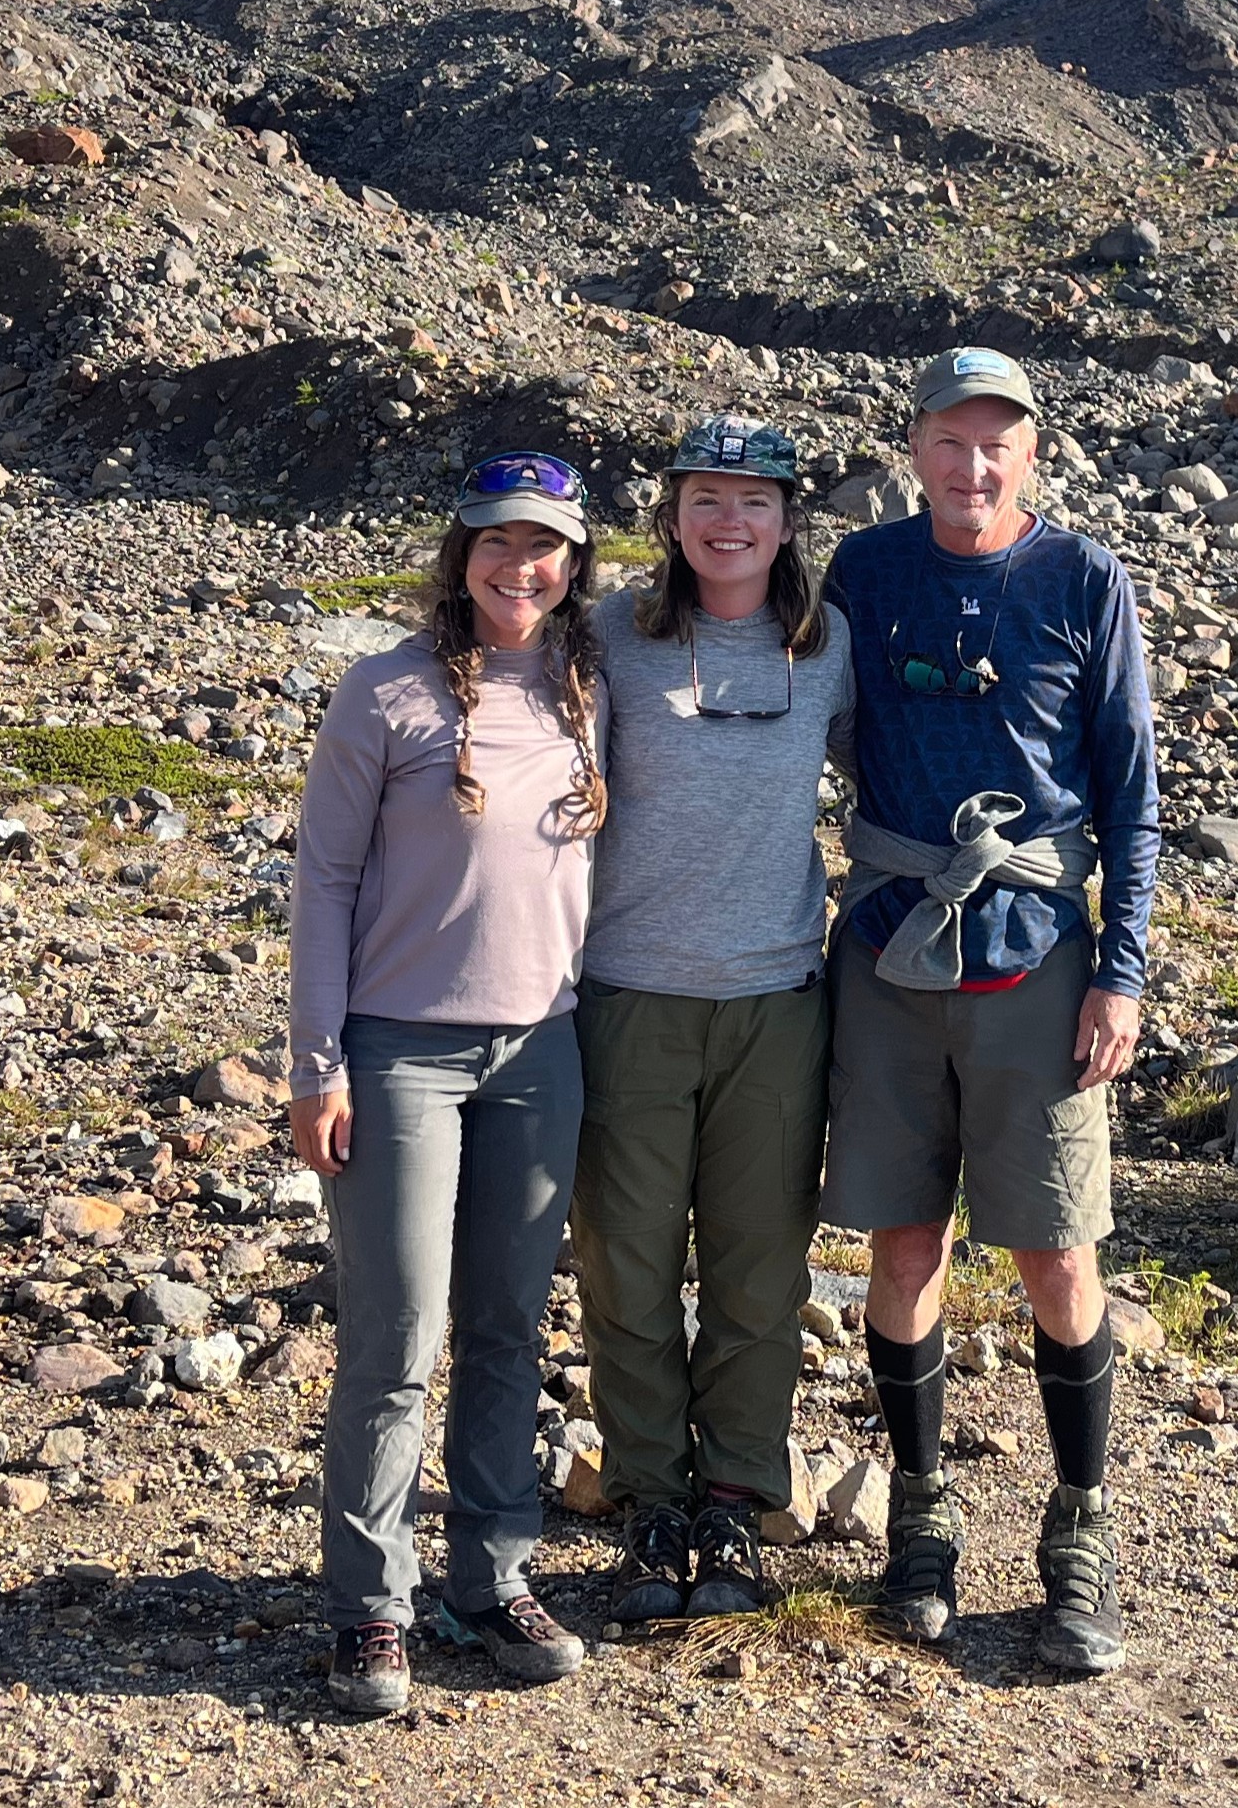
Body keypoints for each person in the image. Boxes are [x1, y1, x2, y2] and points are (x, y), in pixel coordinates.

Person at [822, 345, 1159, 1675]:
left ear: (1033, 454)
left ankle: (1079, 1526)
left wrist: (1121, 968)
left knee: (1056, 1255)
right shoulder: (866, 572)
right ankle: (920, 1512)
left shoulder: (1084, 579)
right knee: (901, 1249)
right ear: (913, 447)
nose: (973, 466)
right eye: (951, 442)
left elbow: (1130, 791)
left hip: (1039, 964)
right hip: (894, 951)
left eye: (997, 443)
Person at [288, 450, 607, 1715]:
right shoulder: (384, 692)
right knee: (397, 1332)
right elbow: (321, 885)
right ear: (458, 554)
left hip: (545, 1047)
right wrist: (317, 1063)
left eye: (543, 548)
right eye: (495, 543)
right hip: (399, 1049)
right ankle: (373, 1603)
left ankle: (492, 1576)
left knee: (507, 1326)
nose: (517, 567)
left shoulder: (592, 687)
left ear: (573, 564)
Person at [575, 415, 856, 1623]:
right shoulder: (608, 641)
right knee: (626, 1264)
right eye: (705, 499)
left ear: (788, 519)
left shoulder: (828, 643)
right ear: (672, 518)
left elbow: (897, 771)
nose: (728, 522)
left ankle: (735, 1498)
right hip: (630, 991)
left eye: (753, 500)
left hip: (778, 999)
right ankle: (647, 1499)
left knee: (757, 1267)